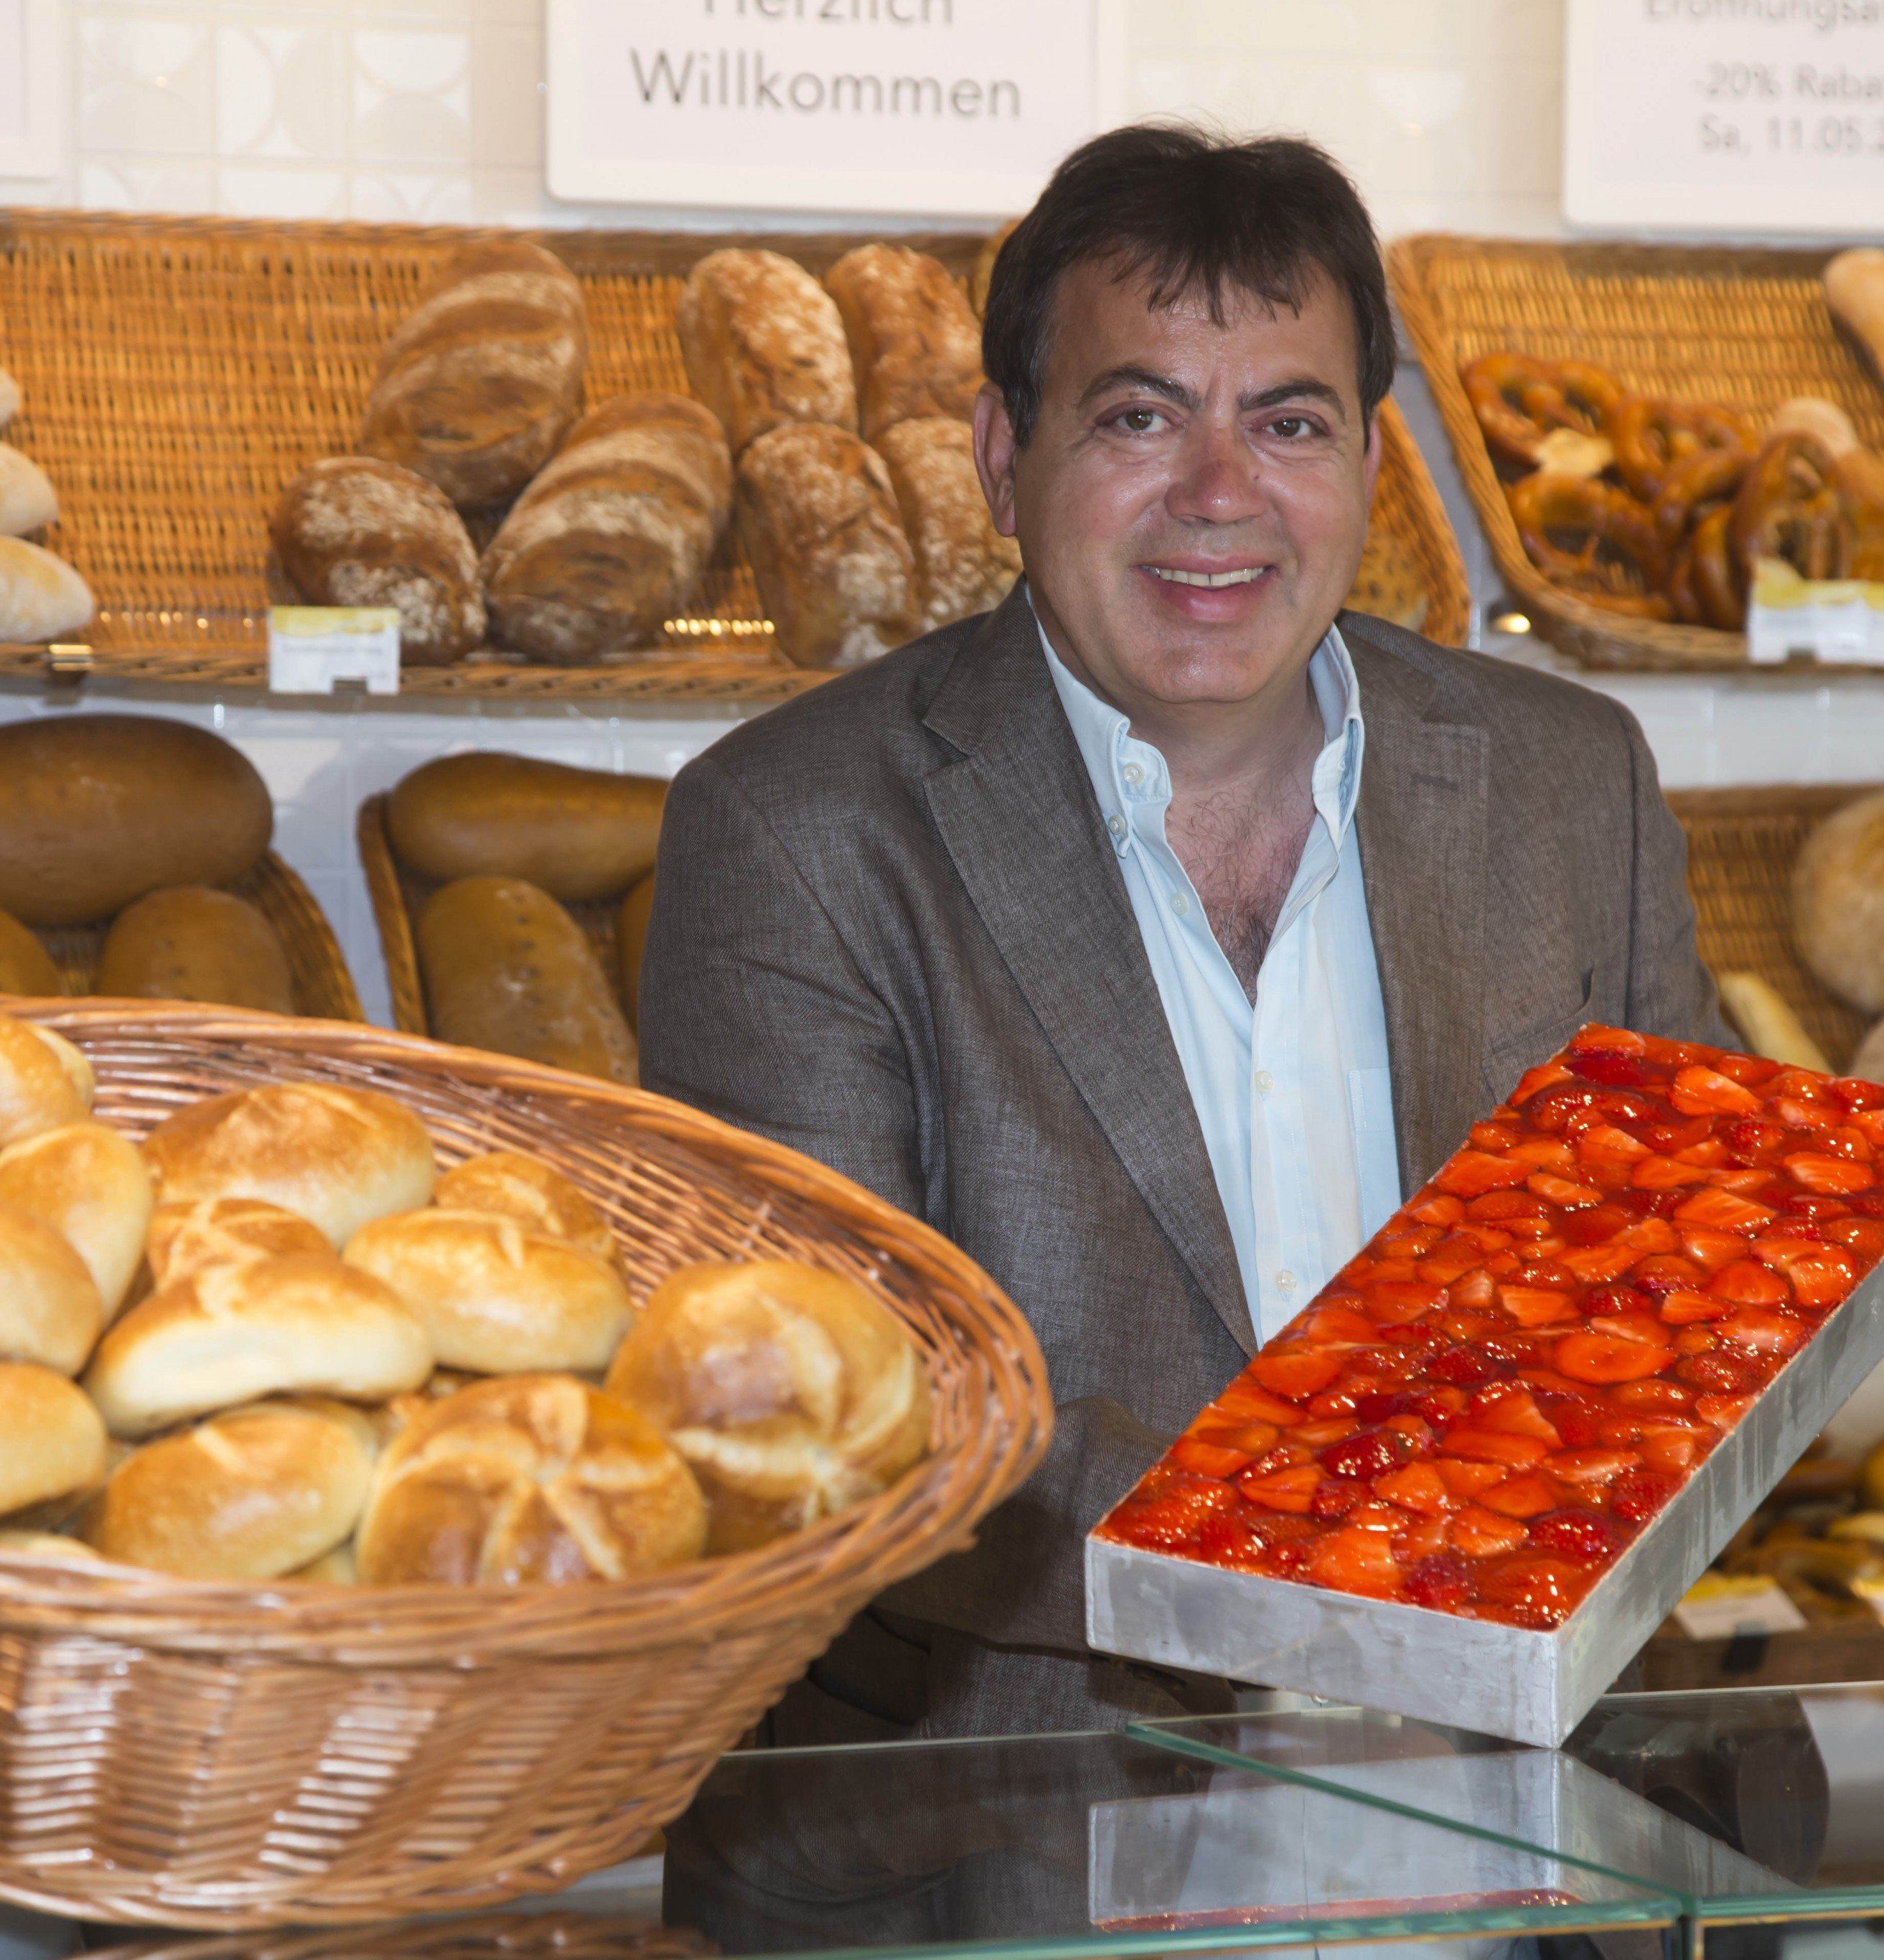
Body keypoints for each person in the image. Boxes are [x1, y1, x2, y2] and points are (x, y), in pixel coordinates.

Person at [637, 124, 1728, 1740]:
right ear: (1002, 455)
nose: (1219, 496)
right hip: (1014, 1822)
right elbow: (826, 1405)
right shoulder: (793, 833)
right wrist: (1336, 1562)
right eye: (1138, 416)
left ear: (1370, 469)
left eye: (1288, 422)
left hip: (1523, 1815)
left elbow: (1694, 1283)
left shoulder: (1572, 783)